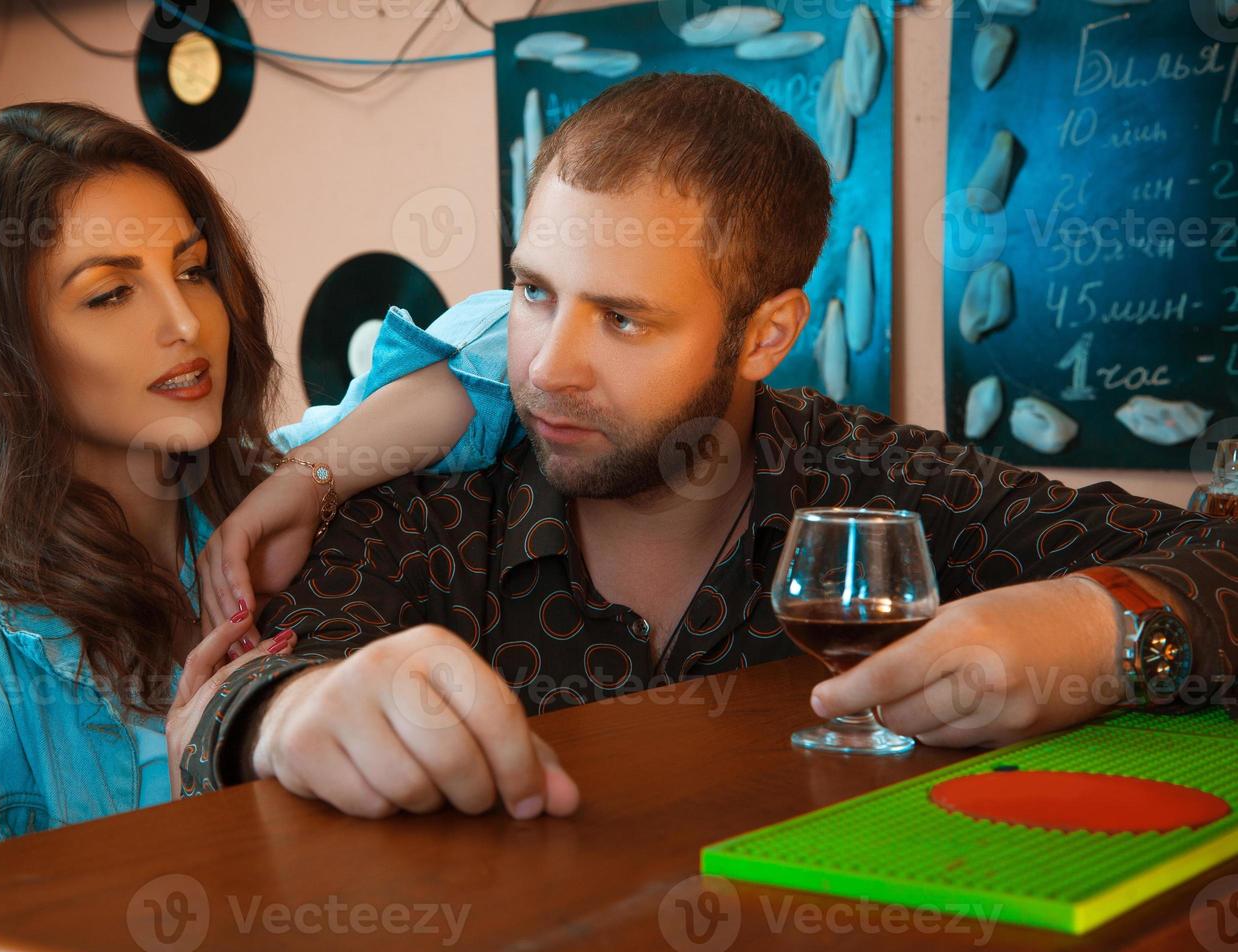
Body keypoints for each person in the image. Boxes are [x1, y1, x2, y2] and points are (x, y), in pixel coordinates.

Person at [178, 73, 1237, 822]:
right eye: (535, 293)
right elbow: (236, 694)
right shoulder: (428, 501)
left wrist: (1099, 634)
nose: (546, 367)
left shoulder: (883, 487)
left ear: (767, 332)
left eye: (625, 319)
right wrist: (291, 714)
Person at [0, 102, 496, 879]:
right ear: (1, 348)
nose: (185, 322)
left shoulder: (285, 494)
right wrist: (194, 819)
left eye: (192, 270)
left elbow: (518, 342)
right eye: (110, 294)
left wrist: (313, 480)